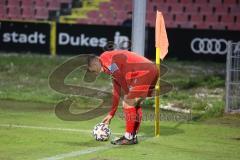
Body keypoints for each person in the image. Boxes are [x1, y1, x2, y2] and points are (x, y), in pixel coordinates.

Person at [87, 50, 159, 145]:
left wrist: (128, 95)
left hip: (144, 72)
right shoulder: (106, 62)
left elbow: (119, 78)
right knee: (134, 103)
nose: (94, 74)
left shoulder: (108, 63)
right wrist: (111, 114)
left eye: (92, 70)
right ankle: (132, 136)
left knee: (128, 102)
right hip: (151, 70)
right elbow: (117, 88)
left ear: (95, 63)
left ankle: (128, 137)